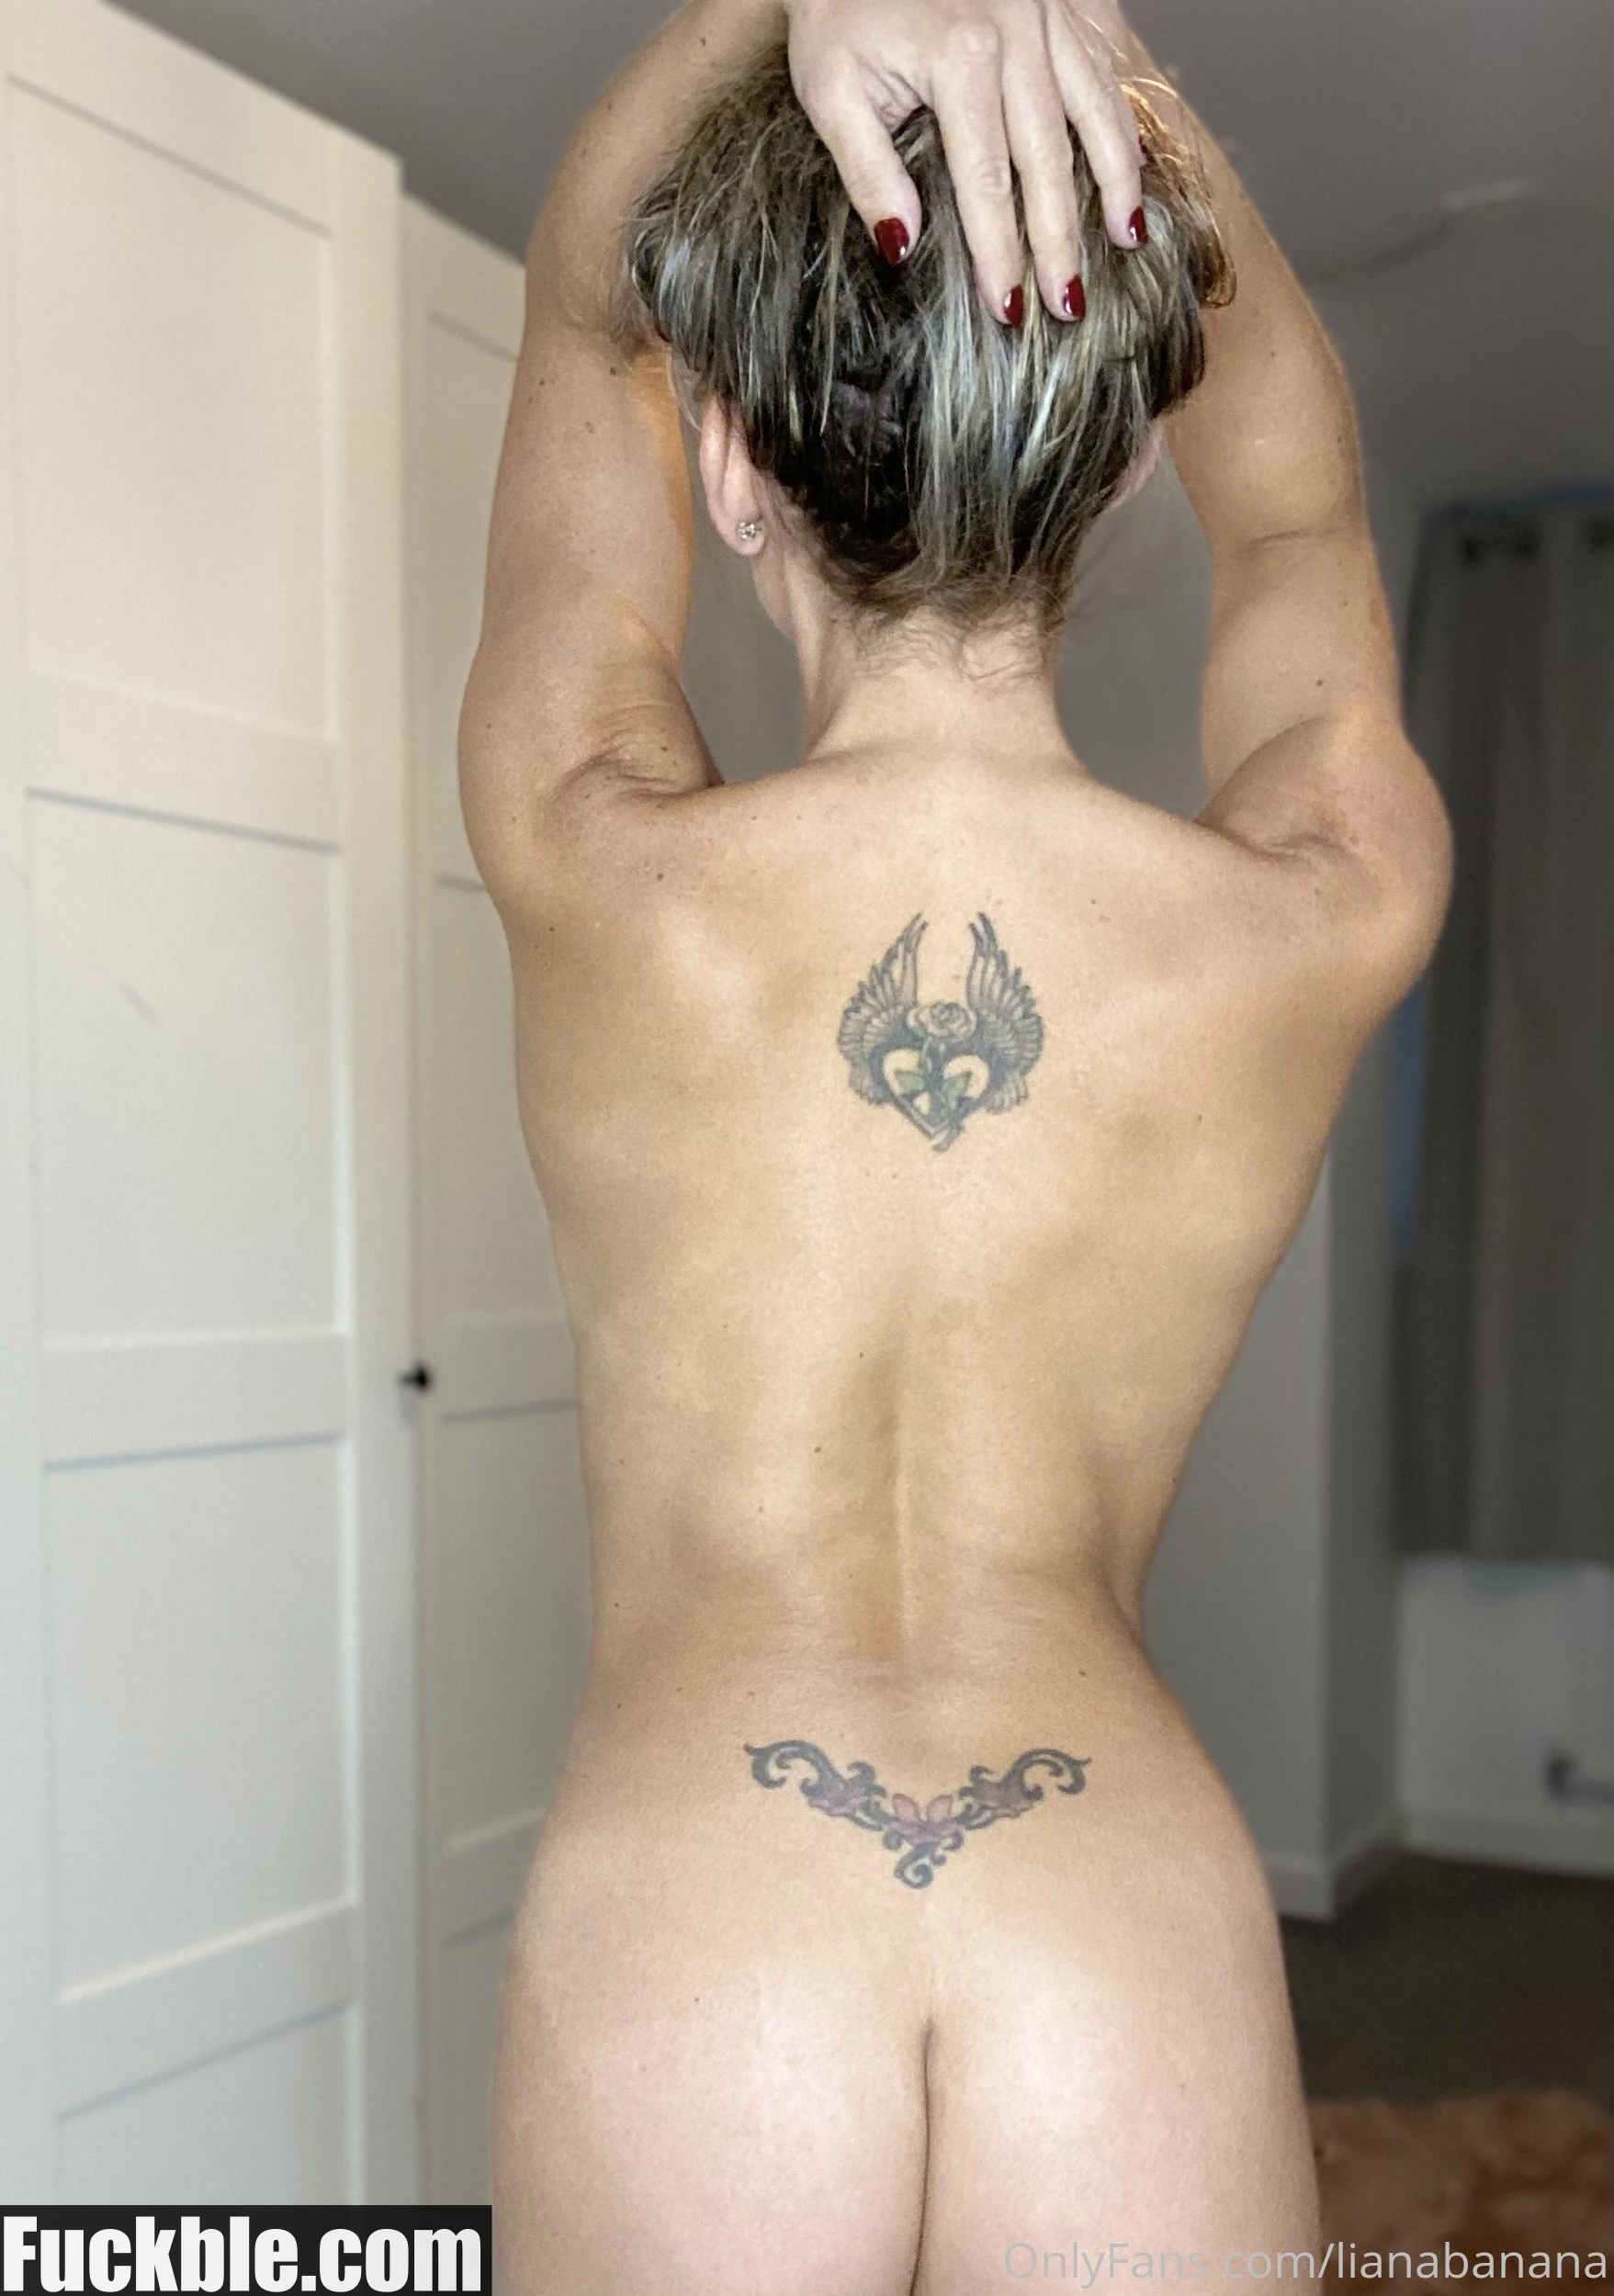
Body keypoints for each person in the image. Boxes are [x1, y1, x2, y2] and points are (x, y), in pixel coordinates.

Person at [465, 0, 1451, 2283]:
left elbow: (576, 306)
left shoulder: (589, 846)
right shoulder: (1314, 903)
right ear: (1115, 472)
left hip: (696, 1909)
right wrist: (1101, 86)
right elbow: (1296, 500)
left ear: (725, 460)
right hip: (1113, 1904)